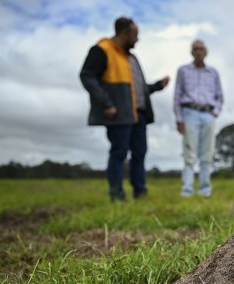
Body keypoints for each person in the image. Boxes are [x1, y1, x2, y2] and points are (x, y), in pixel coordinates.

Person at [80, 16, 169, 201]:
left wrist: (157, 86)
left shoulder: (132, 58)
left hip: (139, 114)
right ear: (125, 33)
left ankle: (140, 192)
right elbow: (87, 76)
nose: (137, 39)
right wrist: (106, 103)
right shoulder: (102, 50)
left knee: (139, 153)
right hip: (118, 113)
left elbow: (138, 89)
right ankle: (117, 195)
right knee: (119, 153)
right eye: (135, 35)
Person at [173, 39, 224, 197]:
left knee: (206, 154)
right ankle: (187, 190)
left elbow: (220, 97)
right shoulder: (183, 71)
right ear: (191, 52)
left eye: (201, 49)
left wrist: (214, 113)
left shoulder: (213, 73)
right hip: (189, 113)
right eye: (195, 49)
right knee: (189, 154)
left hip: (208, 114)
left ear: (206, 52)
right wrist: (179, 119)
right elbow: (177, 96)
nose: (198, 52)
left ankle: (205, 190)